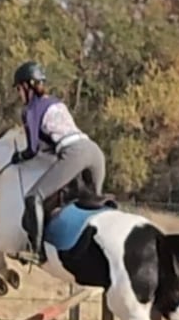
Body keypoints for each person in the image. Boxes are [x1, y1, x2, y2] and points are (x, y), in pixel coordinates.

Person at [9, 60, 106, 263]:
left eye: (18, 89)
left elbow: (33, 149)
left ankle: (36, 252)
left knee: (33, 197)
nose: (19, 94)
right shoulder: (56, 102)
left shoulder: (30, 110)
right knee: (94, 208)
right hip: (95, 152)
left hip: (74, 153)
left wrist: (18, 157)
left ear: (27, 86)